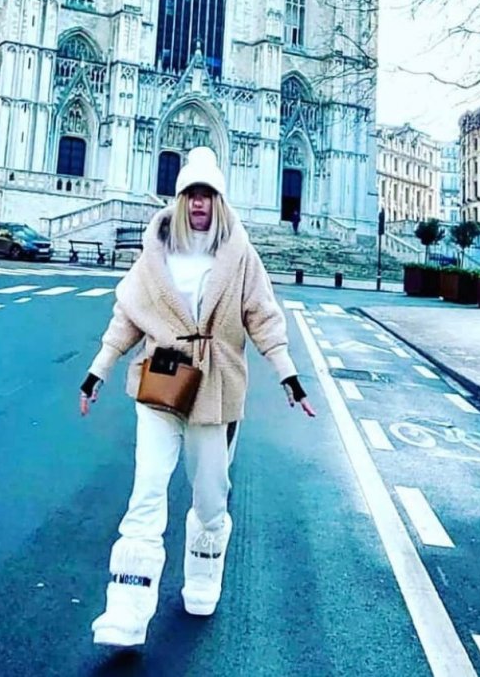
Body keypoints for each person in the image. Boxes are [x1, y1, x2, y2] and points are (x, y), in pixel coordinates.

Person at [79, 147, 316, 647]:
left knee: (211, 494)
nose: (199, 203)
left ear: (220, 201)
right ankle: (127, 607)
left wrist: (289, 375)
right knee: (147, 489)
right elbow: (128, 315)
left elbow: (263, 317)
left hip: (215, 387)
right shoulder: (157, 251)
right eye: (191, 194)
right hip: (162, 379)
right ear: (180, 199)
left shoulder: (240, 255)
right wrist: (99, 369)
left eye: (207, 194)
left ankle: (204, 573)